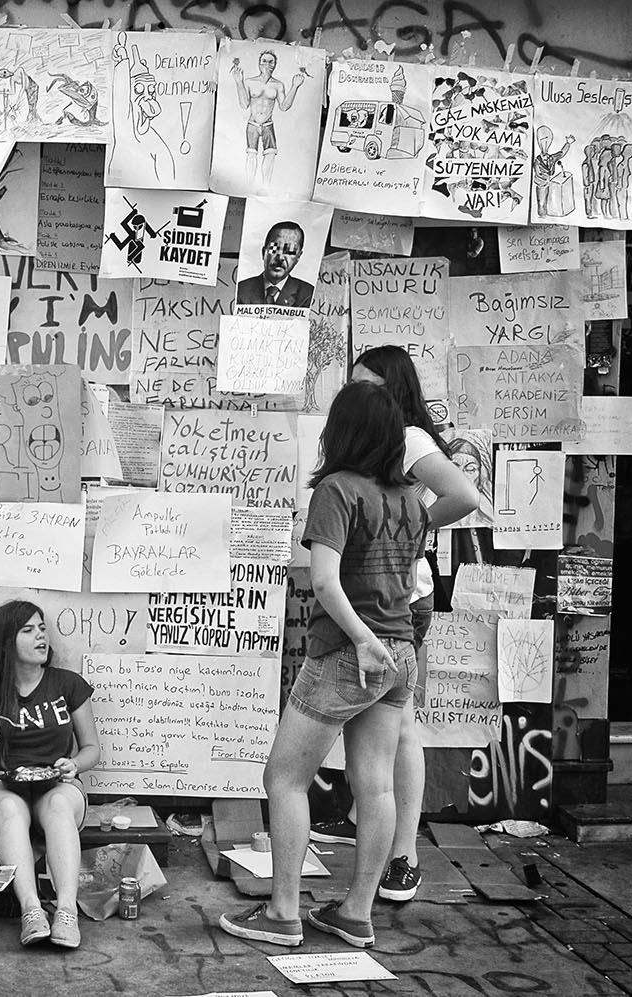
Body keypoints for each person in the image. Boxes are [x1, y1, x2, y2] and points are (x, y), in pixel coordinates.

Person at [219, 381, 430, 949]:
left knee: (283, 778)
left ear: (342, 431)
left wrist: (359, 638)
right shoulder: (411, 496)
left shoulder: (337, 490)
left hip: (349, 653)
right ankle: (356, 913)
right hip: (400, 650)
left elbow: (324, 580)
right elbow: (406, 582)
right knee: (376, 786)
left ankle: (284, 914)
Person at [310, 347, 480, 904]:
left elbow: (465, 495)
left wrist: (411, 534)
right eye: (354, 384)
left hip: (395, 604)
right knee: (382, 738)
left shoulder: (407, 441)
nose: (358, 395)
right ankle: (374, 851)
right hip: (382, 605)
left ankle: (402, 855)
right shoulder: (374, 461)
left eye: (370, 385)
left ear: (394, 391)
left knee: (400, 727)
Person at [0, 601, 100, 949]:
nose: (41, 636)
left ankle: (66, 910)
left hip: (58, 782)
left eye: (41, 628)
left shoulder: (67, 684)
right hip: (0, 786)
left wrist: (74, 765)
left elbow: (91, 749)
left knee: (57, 805)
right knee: (11, 809)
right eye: (28, 630)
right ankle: (31, 910)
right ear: (6, 643)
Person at [231, 49, 308, 183]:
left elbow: (284, 107)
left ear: (275, 65)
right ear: (259, 64)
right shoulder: (249, 82)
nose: (267, 64)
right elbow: (244, 104)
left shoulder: (278, 85)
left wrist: (295, 86)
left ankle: (266, 186)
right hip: (252, 124)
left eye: (270, 62)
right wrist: (238, 82)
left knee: (271, 154)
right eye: (264, 61)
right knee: (251, 155)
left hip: (268, 124)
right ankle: (248, 185)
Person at [236, 221, 315, 307]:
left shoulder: (308, 295)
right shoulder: (240, 290)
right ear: (263, 252)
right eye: (274, 249)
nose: (280, 257)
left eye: (289, 251)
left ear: (298, 257)